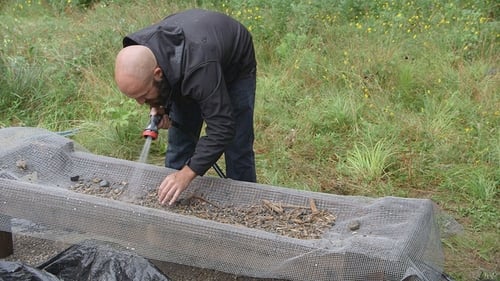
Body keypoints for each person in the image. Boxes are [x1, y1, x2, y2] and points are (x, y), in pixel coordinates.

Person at [114, 9, 257, 206]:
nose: (140, 103)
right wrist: (158, 104)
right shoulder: (144, 49)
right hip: (195, 57)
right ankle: (171, 196)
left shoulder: (198, 69)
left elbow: (223, 128)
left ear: (157, 73)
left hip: (234, 63)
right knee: (180, 141)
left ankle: (245, 204)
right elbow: (166, 82)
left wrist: (188, 173)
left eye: (143, 96)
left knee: (237, 143)